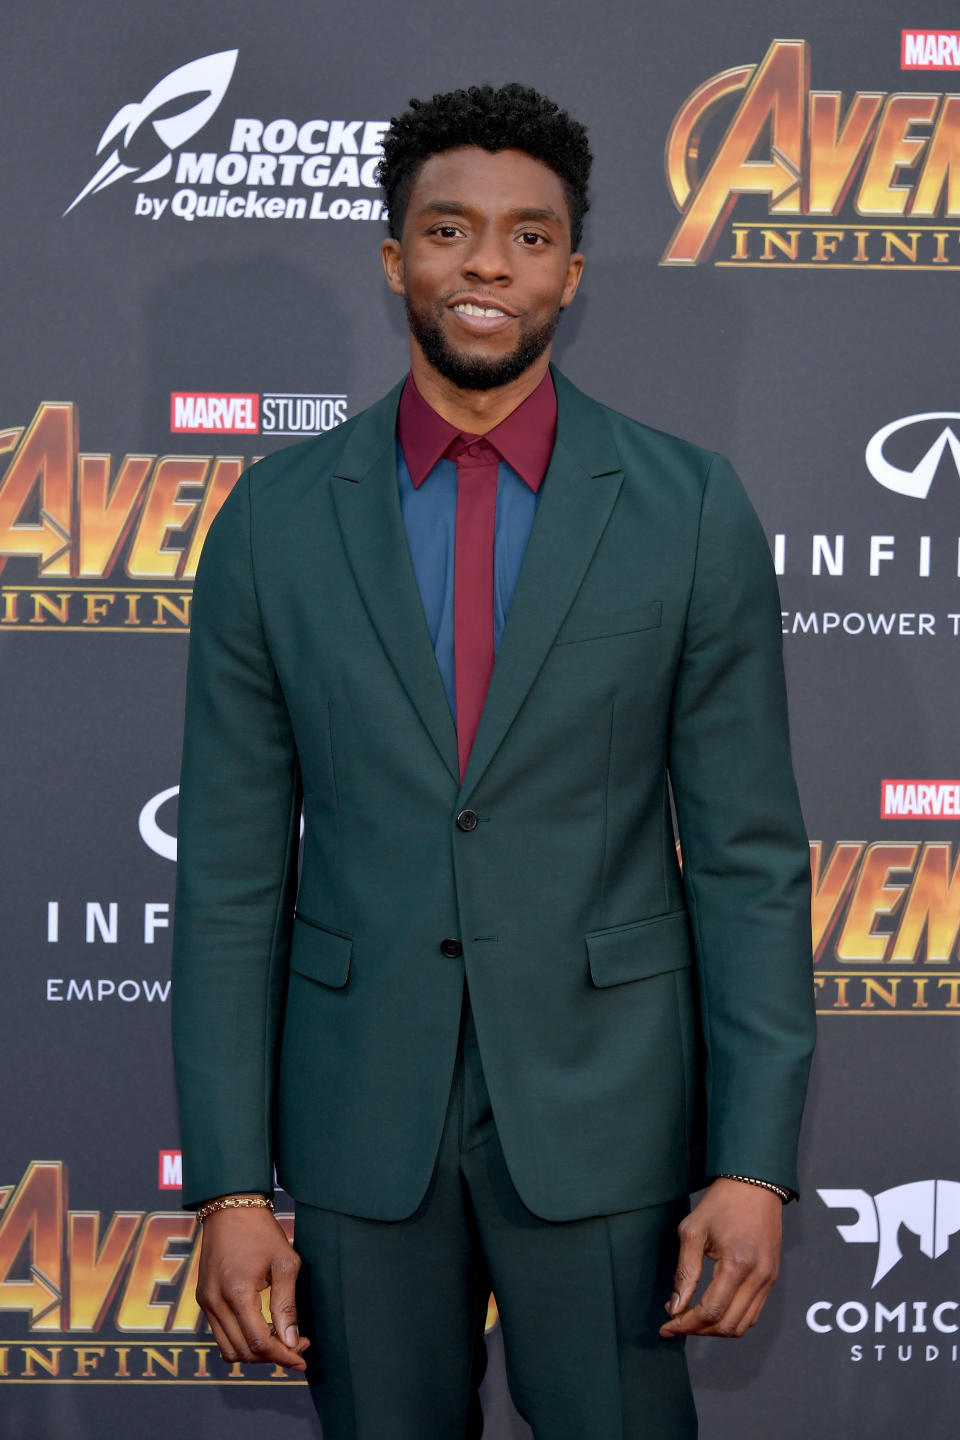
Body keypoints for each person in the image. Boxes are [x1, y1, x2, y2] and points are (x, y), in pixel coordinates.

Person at [171, 82, 815, 1440]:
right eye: (451, 229)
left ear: (571, 274)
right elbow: (228, 876)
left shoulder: (686, 508)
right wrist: (232, 1190)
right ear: (395, 256)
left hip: (611, 1116)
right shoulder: (273, 521)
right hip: (360, 1122)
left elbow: (751, 863)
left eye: (529, 237)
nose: (487, 265)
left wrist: (755, 1165)